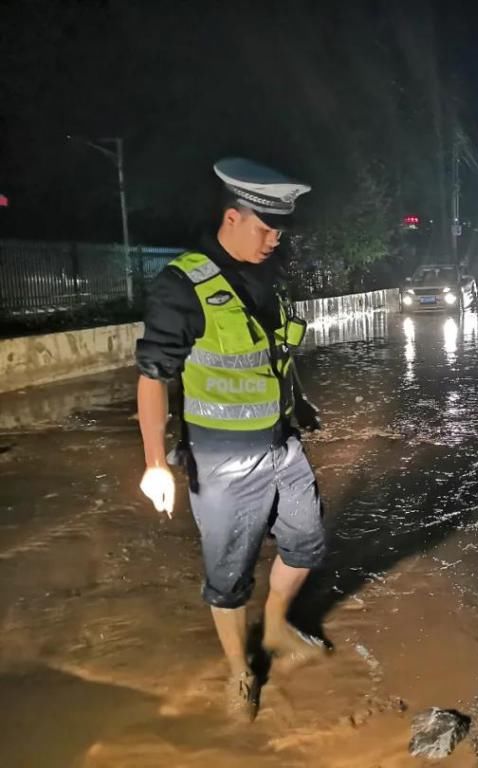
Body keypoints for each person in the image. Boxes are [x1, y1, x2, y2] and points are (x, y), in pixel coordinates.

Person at [136, 158, 326, 721]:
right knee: (227, 575)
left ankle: (275, 629)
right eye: (266, 228)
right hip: (221, 461)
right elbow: (153, 377)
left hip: (282, 444)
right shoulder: (182, 286)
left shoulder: (271, 274)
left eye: (280, 229)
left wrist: (299, 406)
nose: (276, 239)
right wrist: (154, 461)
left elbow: (273, 356)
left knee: (308, 543)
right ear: (231, 218)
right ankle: (240, 673)